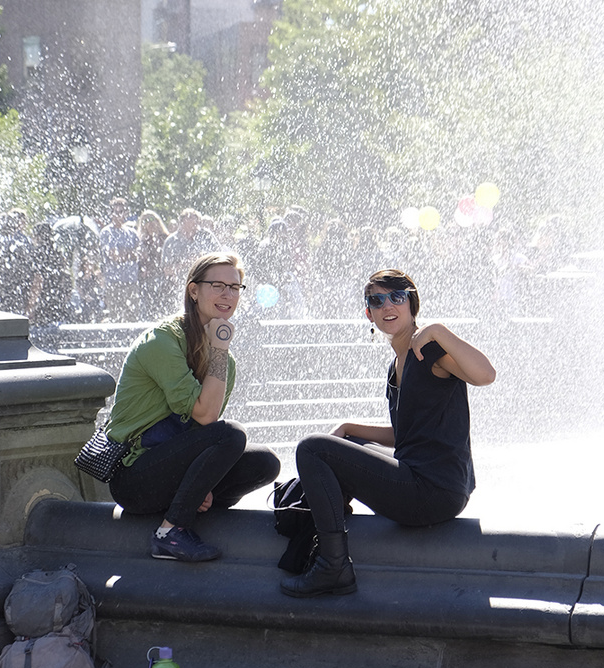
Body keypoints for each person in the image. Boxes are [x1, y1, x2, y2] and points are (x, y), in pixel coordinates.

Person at [280, 268, 496, 598]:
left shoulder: (429, 352)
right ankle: (327, 538)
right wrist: (350, 429)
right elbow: (405, 436)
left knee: (312, 449)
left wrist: (438, 330)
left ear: (412, 304)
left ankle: (333, 564)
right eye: (377, 301)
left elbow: (485, 375)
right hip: (427, 483)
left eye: (397, 297)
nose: (387, 306)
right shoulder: (396, 366)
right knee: (342, 444)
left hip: (432, 490)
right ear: (368, 313)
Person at [106, 251, 280, 562]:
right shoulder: (161, 341)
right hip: (135, 476)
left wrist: (204, 483)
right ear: (193, 290)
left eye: (235, 287)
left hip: (174, 470)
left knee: (264, 462)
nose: (227, 295)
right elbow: (207, 416)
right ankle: (170, 532)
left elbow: (204, 432)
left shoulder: (223, 360)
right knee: (231, 434)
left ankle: (186, 505)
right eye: (217, 285)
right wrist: (220, 349)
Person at [98, 197, 140, 321]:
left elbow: (139, 255)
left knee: (132, 317)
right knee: (116, 317)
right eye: (116, 212)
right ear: (111, 213)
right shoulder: (106, 232)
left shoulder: (131, 233)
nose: (118, 215)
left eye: (121, 211)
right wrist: (129, 254)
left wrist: (124, 253)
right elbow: (114, 256)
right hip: (114, 283)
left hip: (131, 282)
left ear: (126, 213)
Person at [136, 209, 169, 320]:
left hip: (163, 278)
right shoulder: (142, 240)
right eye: (145, 221)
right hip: (147, 280)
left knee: (164, 307)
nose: (149, 223)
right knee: (149, 309)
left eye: (151, 219)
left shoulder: (165, 238)